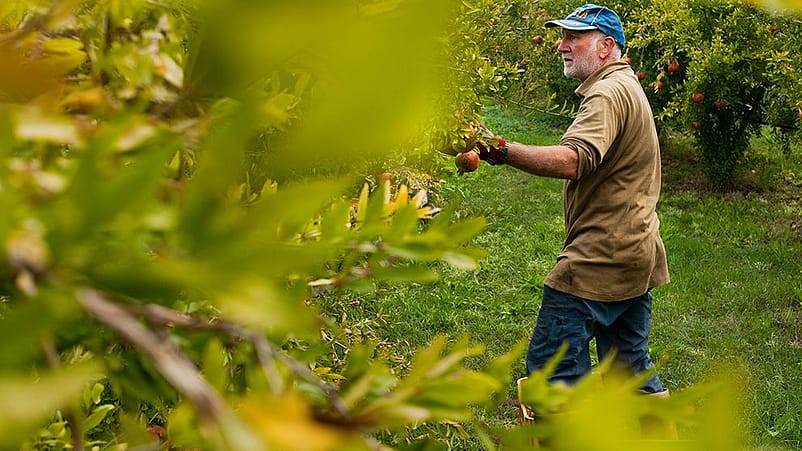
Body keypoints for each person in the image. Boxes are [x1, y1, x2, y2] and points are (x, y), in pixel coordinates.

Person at [476, 4, 670, 395]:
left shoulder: (607, 92)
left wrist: (496, 149)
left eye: (573, 37)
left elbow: (572, 160)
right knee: (629, 370)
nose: (561, 45)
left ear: (605, 47)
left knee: (553, 376)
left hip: (598, 258)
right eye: (562, 36)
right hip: (636, 251)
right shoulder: (627, 84)